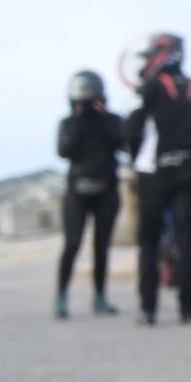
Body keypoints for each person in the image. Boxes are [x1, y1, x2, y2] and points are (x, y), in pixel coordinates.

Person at [124, 33, 191, 326]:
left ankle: (147, 309)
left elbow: (132, 130)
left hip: (153, 173)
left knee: (149, 242)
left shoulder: (149, 88)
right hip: (190, 171)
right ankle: (188, 307)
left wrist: (134, 162)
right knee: (187, 240)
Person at [56, 70, 126, 319]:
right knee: (72, 243)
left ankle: (99, 296)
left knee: (101, 245)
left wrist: (103, 116)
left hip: (107, 189)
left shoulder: (112, 120)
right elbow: (63, 151)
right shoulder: (67, 123)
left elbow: (122, 143)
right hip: (77, 190)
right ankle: (61, 297)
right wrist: (77, 121)